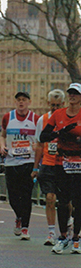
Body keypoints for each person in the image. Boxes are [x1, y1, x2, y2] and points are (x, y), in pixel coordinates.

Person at [40, 83, 81, 254]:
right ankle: (63, 237)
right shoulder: (58, 114)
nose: (72, 96)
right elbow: (43, 136)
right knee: (63, 202)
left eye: (76, 94)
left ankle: (77, 239)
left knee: (78, 202)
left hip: (79, 162)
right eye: (70, 93)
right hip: (61, 162)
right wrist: (58, 133)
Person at [31, 89, 70, 246]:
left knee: (66, 202)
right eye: (52, 105)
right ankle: (51, 232)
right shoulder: (43, 119)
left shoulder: (68, 119)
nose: (54, 108)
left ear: (63, 104)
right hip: (48, 164)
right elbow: (39, 145)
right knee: (49, 198)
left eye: (58, 105)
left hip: (65, 164)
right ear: (48, 104)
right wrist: (35, 167)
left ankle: (66, 228)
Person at [0, 91, 39, 240]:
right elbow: (3, 136)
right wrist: (2, 145)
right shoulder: (7, 117)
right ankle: (19, 216)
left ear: (29, 102)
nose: (21, 102)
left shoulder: (35, 119)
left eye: (24, 100)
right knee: (13, 197)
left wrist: (36, 146)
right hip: (11, 162)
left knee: (26, 195)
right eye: (18, 100)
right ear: (15, 102)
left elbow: (40, 140)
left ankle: (25, 228)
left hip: (28, 161)